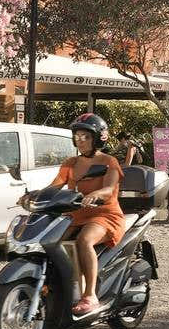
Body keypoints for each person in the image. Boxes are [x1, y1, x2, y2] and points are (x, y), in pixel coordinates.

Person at [46, 113, 125, 317]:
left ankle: (90, 296)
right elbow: (55, 185)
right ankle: (51, 284)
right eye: (78, 137)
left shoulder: (109, 162)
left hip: (104, 215)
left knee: (84, 240)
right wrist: (35, 195)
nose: (80, 141)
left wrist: (96, 194)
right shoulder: (71, 163)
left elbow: (109, 189)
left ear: (98, 138)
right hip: (75, 214)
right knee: (48, 241)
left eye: (86, 137)